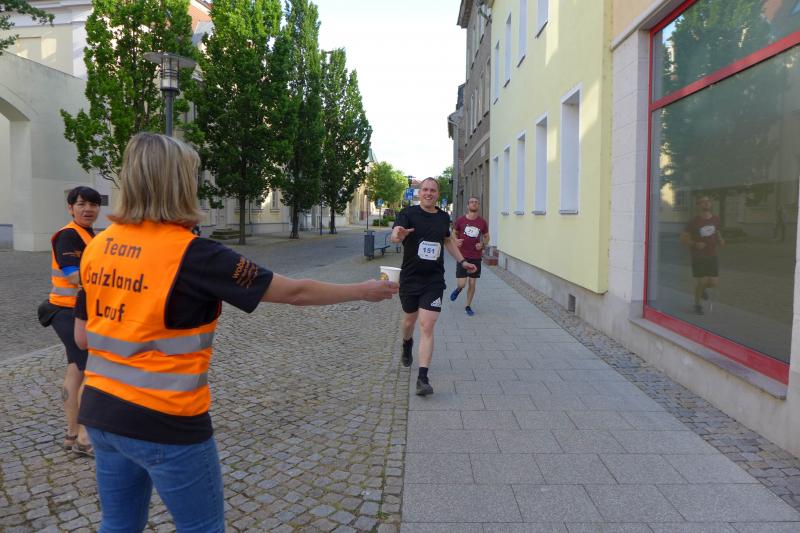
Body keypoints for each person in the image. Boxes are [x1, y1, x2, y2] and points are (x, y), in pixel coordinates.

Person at [72, 133, 398, 532]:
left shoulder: (98, 246)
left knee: (118, 525)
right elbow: (293, 292)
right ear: (179, 183)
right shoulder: (194, 254)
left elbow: (83, 337)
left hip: (101, 413)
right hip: (166, 421)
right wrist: (362, 290)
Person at [391, 177, 477, 396]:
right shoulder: (408, 214)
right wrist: (397, 235)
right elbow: (395, 235)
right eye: (425, 190)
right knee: (409, 321)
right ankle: (407, 343)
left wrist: (462, 261)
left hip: (434, 280)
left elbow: (447, 240)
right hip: (410, 278)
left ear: (438, 194)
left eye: (433, 190)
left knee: (427, 325)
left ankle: (423, 378)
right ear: (419, 192)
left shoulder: (442, 217)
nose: (429, 193)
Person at [39, 185, 100, 457]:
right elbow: (74, 276)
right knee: (92, 370)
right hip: (66, 312)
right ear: (70, 208)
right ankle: (85, 439)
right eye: (81, 204)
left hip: (74, 311)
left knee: (76, 369)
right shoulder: (68, 235)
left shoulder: (89, 234)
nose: (88, 209)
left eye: (93, 205)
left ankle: (72, 434)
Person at [680, 195, 724, 315]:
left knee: (713, 282)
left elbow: (717, 231)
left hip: (712, 254)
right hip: (698, 255)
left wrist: (720, 239)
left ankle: (702, 290)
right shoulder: (693, 222)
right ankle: (697, 305)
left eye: (708, 201)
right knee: (702, 281)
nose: (706, 203)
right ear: (698, 205)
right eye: (703, 202)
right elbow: (683, 239)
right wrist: (695, 244)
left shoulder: (716, 219)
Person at [449, 196, 489, 316]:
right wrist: (456, 240)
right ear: (468, 205)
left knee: (472, 283)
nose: (474, 203)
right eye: (471, 202)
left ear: (478, 205)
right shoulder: (461, 220)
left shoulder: (482, 222)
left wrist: (482, 244)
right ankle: (458, 289)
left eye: (476, 202)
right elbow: (453, 233)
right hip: (462, 256)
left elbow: (487, 237)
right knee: (462, 284)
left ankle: (468, 306)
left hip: (475, 256)